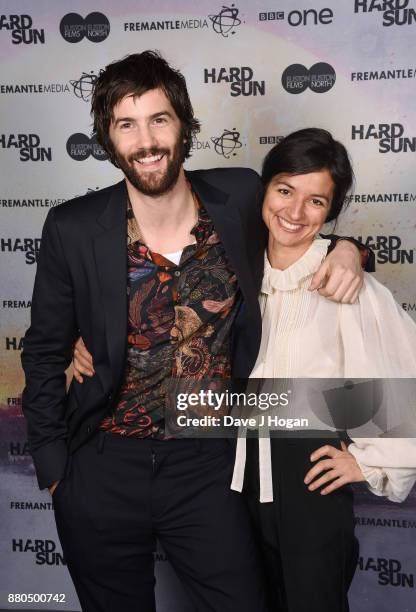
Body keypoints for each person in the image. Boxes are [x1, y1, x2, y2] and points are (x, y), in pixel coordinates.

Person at [21, 51, 372, 612]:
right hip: (102, 464)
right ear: (109, 140)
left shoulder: (236, 197)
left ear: (183, 124)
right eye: (126, 124)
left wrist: (353, 250)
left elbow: (301, 225)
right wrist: (56, 474)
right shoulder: (73, 226)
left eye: (159, 118)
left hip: (208, 464)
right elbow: (42, 353)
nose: (147, 140)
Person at [229, 128, 416, 612]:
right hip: (229, 478)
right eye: (285, 190)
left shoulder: (346, 282)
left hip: (308, 478)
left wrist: (370, 462)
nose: (294, 213)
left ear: (331, 212)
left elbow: (403, 375)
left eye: (316, 201)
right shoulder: (235, 270)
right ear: (264, 190)